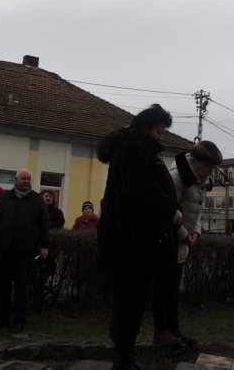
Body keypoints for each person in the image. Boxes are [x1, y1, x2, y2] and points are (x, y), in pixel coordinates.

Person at [96, 104, 183, 370]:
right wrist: (171, 211)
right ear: (146, 128)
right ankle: (123, 361)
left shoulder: (139, 149)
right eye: (159, 131)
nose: (161, 136)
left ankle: (125, 359)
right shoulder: (133, 150)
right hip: (128, 245)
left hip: (133, 244)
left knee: (131, 303)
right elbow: (143, 192)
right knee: (128, 304)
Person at [152, 141, 223, 347]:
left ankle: (174, 329)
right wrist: (184, 235)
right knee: (162, 288)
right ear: (192, 161)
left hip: (181, 243)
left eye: (213, 168)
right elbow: (168, 211)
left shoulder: (199, 180)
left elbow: (197, 211)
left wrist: (196, 232)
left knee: (174, 289)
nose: (210, 172)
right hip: (166, 242)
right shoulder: (176, 178)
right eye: (207, 167)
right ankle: (160, 331)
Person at [0, 169, 50, 333]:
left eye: (29, 178)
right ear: (16, 180)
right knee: (2, 285)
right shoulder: (5, 198)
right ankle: (2, 317)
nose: (26, 181)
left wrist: (44, 245)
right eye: (23, 178)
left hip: (25, 251)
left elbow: (44, 223)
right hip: (4, 249)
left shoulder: (37, 199)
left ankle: (19, 319)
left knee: (22, 287)